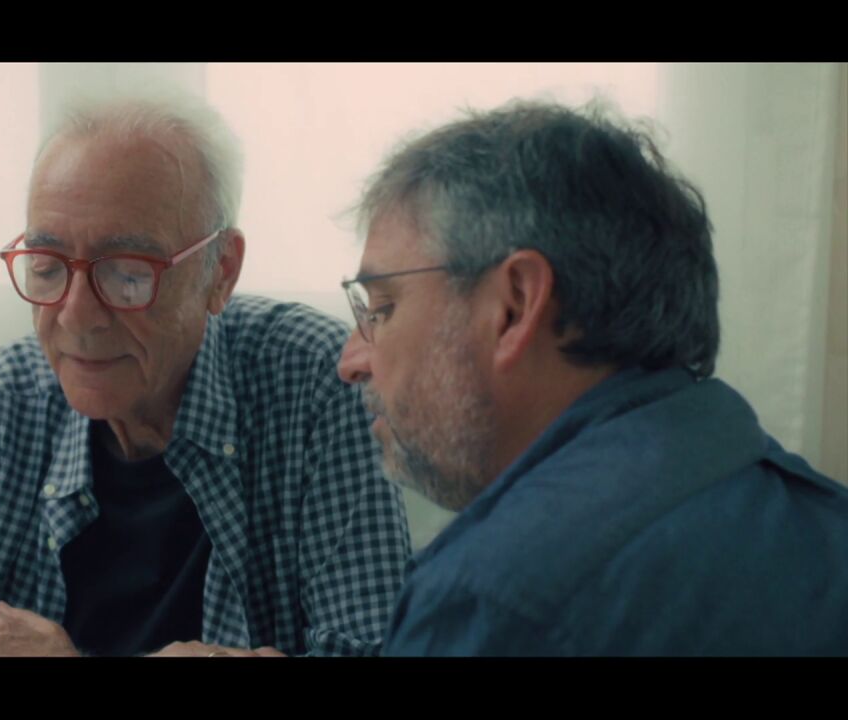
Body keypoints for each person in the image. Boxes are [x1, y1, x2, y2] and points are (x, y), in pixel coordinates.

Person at [0, 93, 411, 657]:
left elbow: (374, 646)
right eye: (47, 267)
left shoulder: (318, 388)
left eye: (127, 273)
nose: (76, 316)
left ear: (220, 271)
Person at [337, 100, 848, 655]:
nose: (351, 362)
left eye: (382, 308)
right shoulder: (813, 515)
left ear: (514, 305)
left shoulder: (494, 596)